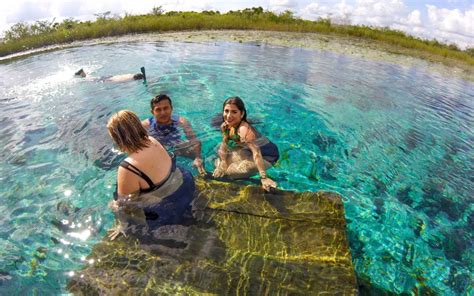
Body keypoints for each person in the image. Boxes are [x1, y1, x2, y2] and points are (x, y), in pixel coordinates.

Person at [107, 110, 195, 237]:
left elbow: (124, 205)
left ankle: (123, 228)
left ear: (117, 138)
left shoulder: (127, 167)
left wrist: (123, 224)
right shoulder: (152, 140)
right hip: (184, 185)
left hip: (167, 205)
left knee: (114, 205)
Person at [213, 96, 279, 191]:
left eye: (234, 112)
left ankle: (253, 181)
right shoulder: (225, 126)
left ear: (242, 113)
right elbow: (224, 144)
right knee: (218, 164)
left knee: (229, 173)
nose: (228, 116)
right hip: (247, 150)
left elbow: (257, 153)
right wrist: (223, 162)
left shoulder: (244, 130)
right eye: (226, 111)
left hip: (267, 155)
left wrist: (263, 177)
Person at [141, 94, 206, 175]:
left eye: (165, 108)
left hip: (177, 147)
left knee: (198, 156)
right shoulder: (145, 126)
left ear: (171, 108)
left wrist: (198, 157)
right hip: (158, 150)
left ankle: (203, 176)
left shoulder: (182, 122)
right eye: (158, 110)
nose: (163, 112)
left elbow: (194, 140)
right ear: (152, 112)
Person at [74, 68, 145, 82]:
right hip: (110, 79)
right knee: (94, 80)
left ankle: (83, 74)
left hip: (111, 76)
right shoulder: (130, 79)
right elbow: (118, 81)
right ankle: (83, 75)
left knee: (95, 78)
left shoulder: (131, 75)